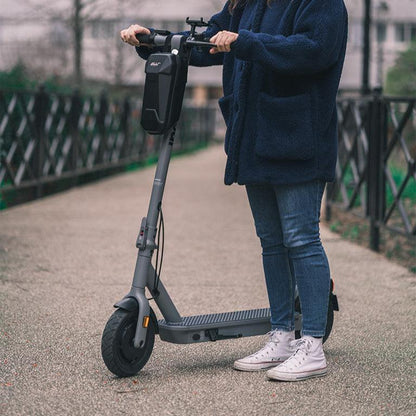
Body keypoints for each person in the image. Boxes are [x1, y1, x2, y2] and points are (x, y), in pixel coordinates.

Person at [120, 0, 348, 382]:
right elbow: (210, 41)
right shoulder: (248, 3)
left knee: (301, 238)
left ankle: (311, 344)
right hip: (255, 138)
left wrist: (247, 42)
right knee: (272, 241)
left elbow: (315, 51)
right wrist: (155, 41)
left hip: (299, 135)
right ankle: (281, 335)